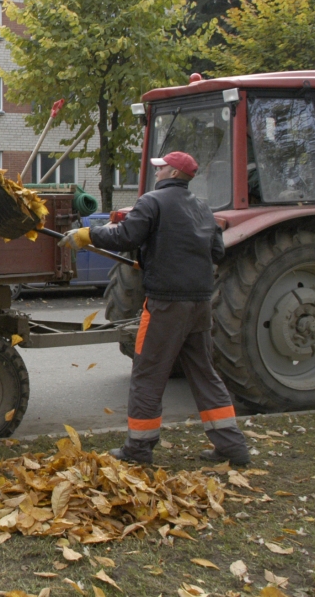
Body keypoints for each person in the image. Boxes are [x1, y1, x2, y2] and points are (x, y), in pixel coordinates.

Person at [60, 151, 250, 467]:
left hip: (165, 305)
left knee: (148, 374)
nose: (157, 173)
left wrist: (86, 234)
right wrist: (159, 256)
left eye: (161, 169)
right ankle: (232, 447)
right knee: (204, 374)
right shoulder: (203, 208)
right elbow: (216, 251)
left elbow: (126, 235)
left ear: (174, 173)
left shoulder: (152, 201)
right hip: (200, 303)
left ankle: (139, 448)